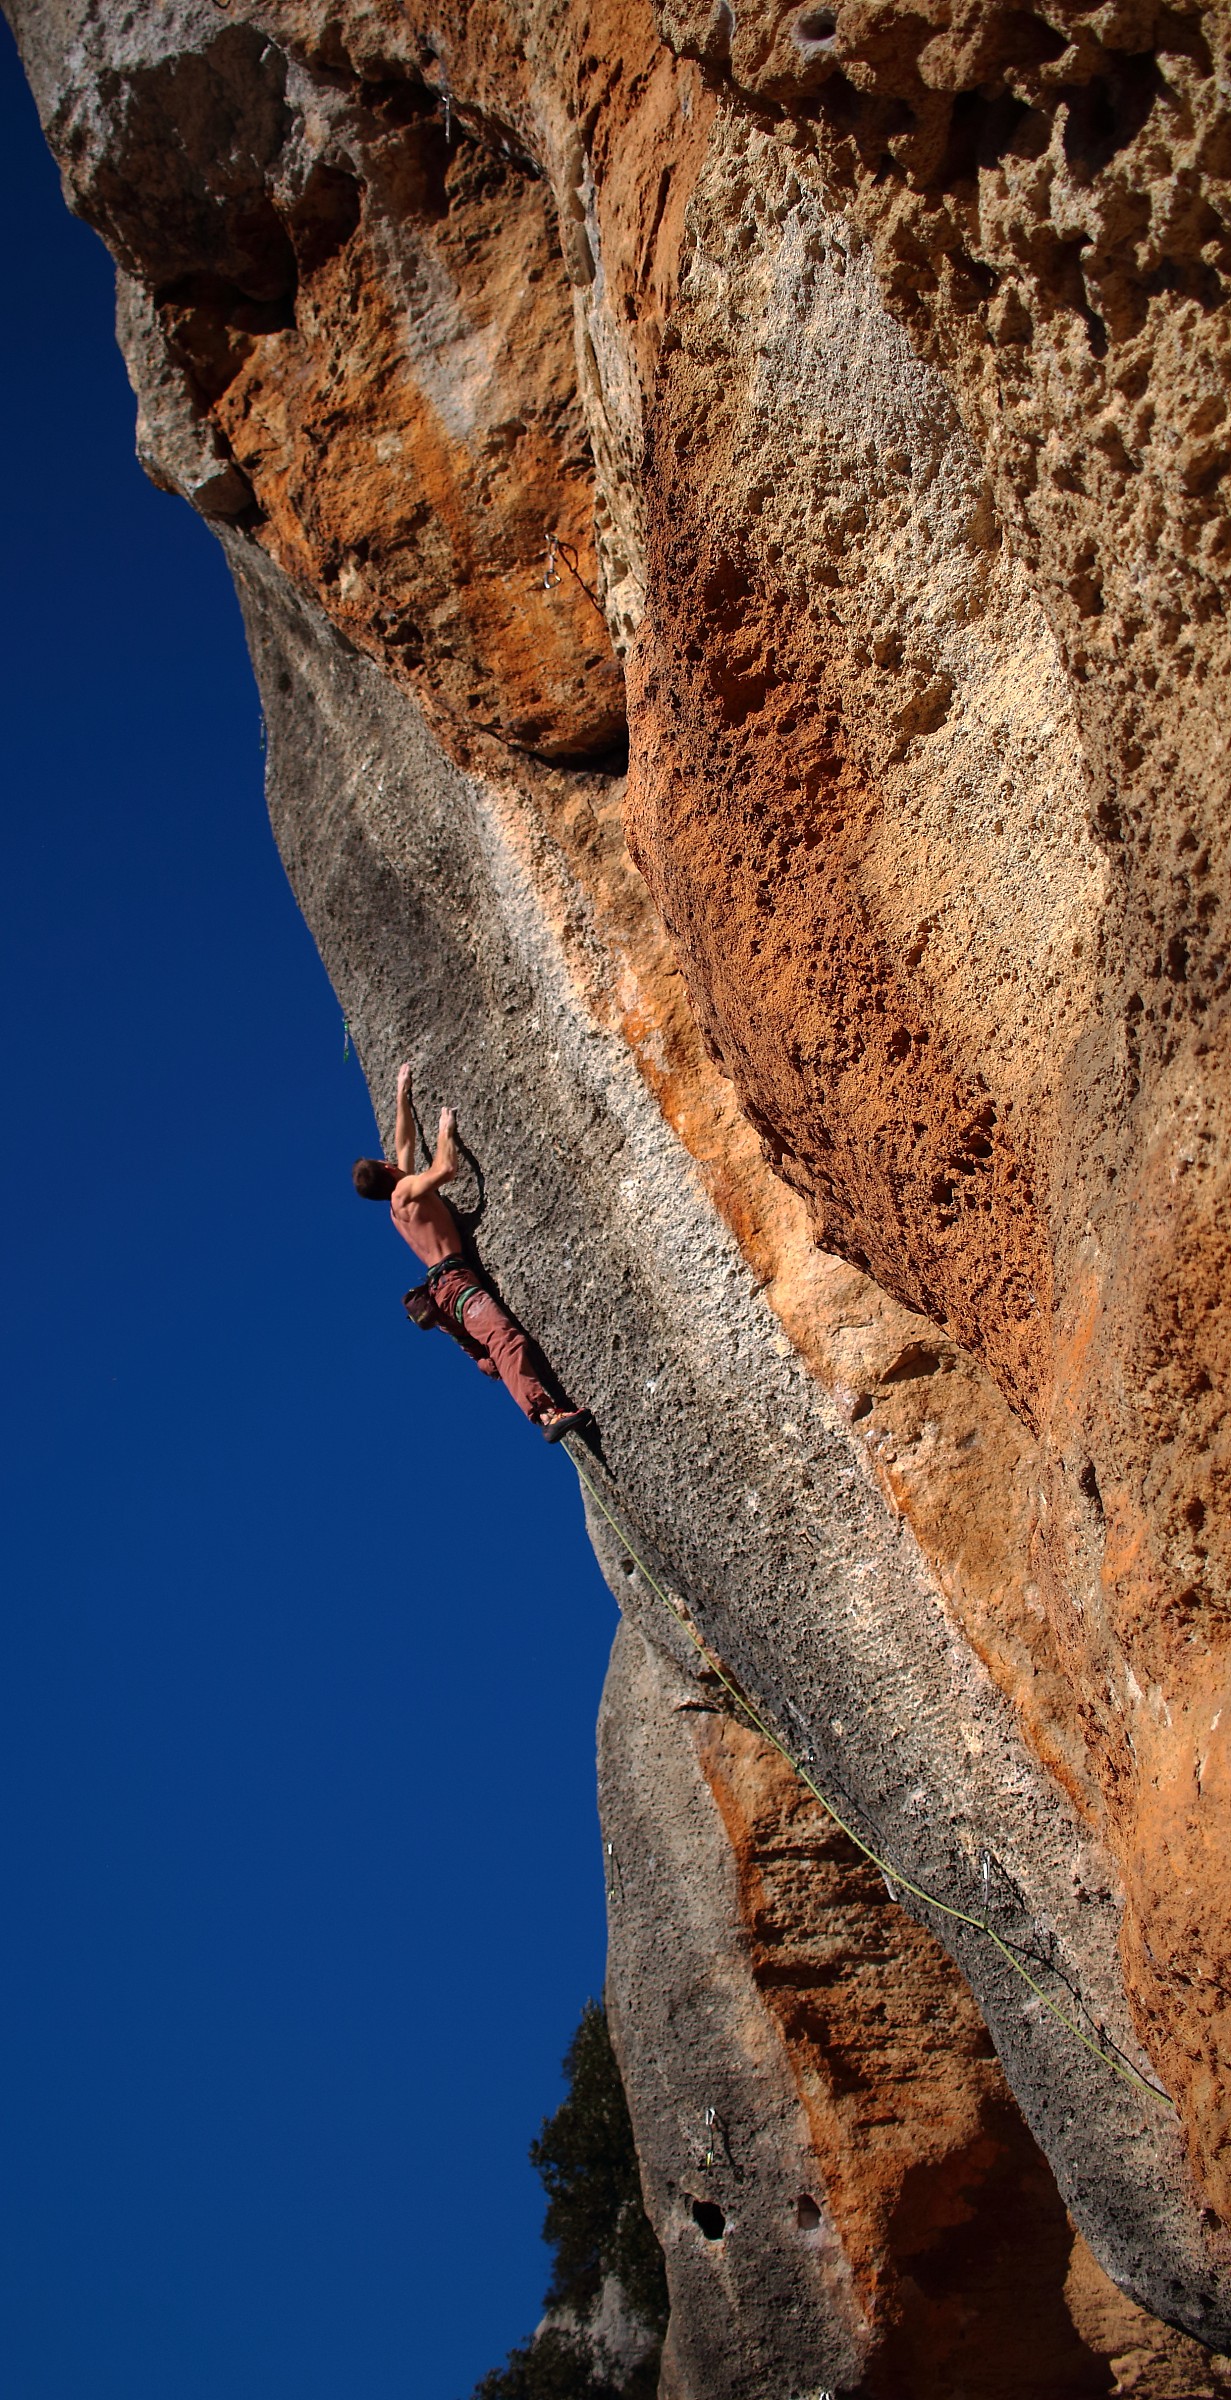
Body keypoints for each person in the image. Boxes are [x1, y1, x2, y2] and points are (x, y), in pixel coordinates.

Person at [352, 1063, 589, 1443]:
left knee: (493, 1347)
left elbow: (405, 1143)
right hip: (455, 1284)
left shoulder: (397, 1205)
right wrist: (446, 1131)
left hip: (445, 1294)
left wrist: (402, 1093)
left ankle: (488, 1363)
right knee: (505, 1337)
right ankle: (545, 1414)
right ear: (385, 1169)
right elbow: (446, 1169)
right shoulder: (406, 1190)